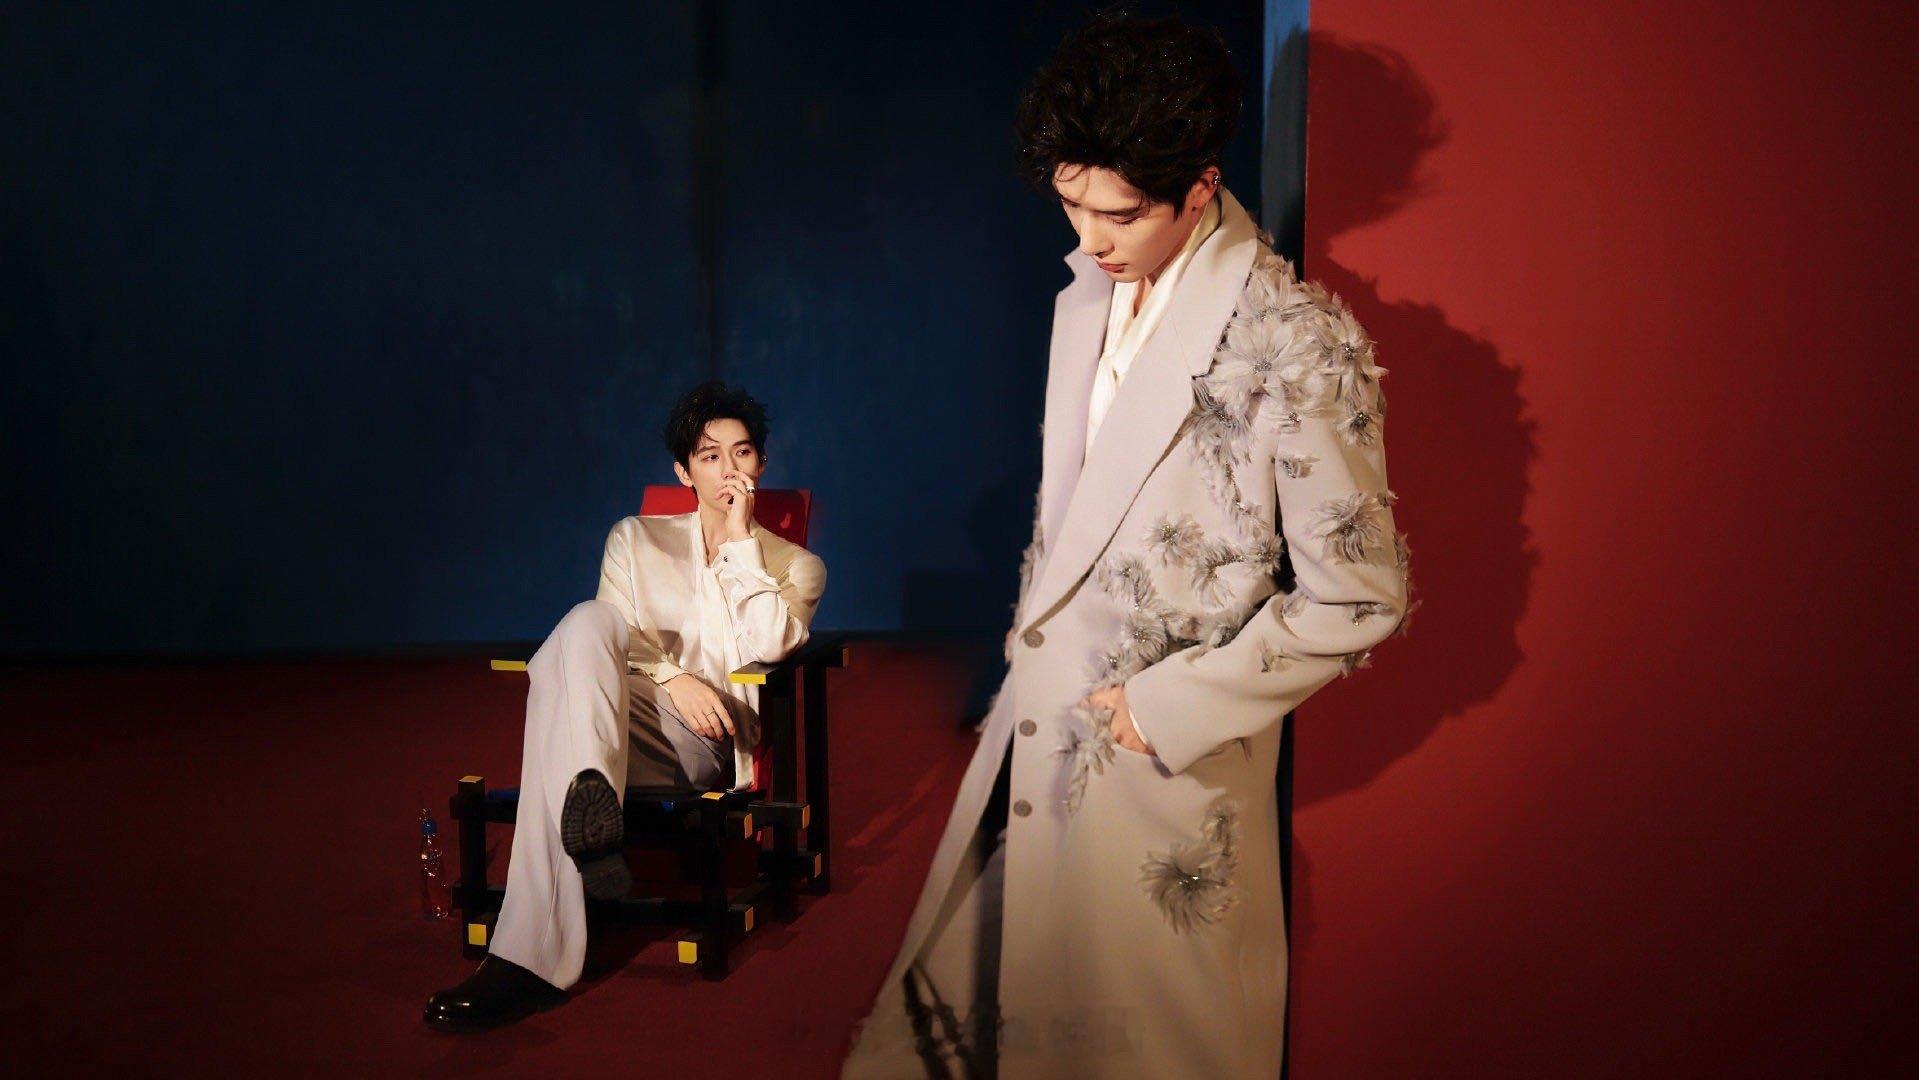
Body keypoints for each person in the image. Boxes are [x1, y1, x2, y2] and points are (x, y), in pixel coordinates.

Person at [842, 12, 1411, 1077]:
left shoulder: (1294, 343)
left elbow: (1359, 595)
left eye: (1119, 213)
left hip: (1159, 762)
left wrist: (1164, 710)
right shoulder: (1088, 296)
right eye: (1070, 205)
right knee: (977, 1019)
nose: (1091, 239)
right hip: (1037, 731)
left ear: (1199, 186)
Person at [424, 380, 828, 1032]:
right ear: (683, 472)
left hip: (706, 740)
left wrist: (738, 543)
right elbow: (615, 637)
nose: (728, 468)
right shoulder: (635, 538)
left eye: (742, 453)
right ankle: (590, 810)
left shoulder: (797, 566)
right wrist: (675, 678)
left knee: (558, 704)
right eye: (709, 456)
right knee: (587, 622)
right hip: (622, 718)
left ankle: (526, 953)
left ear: (761, 463)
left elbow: (770, 645)